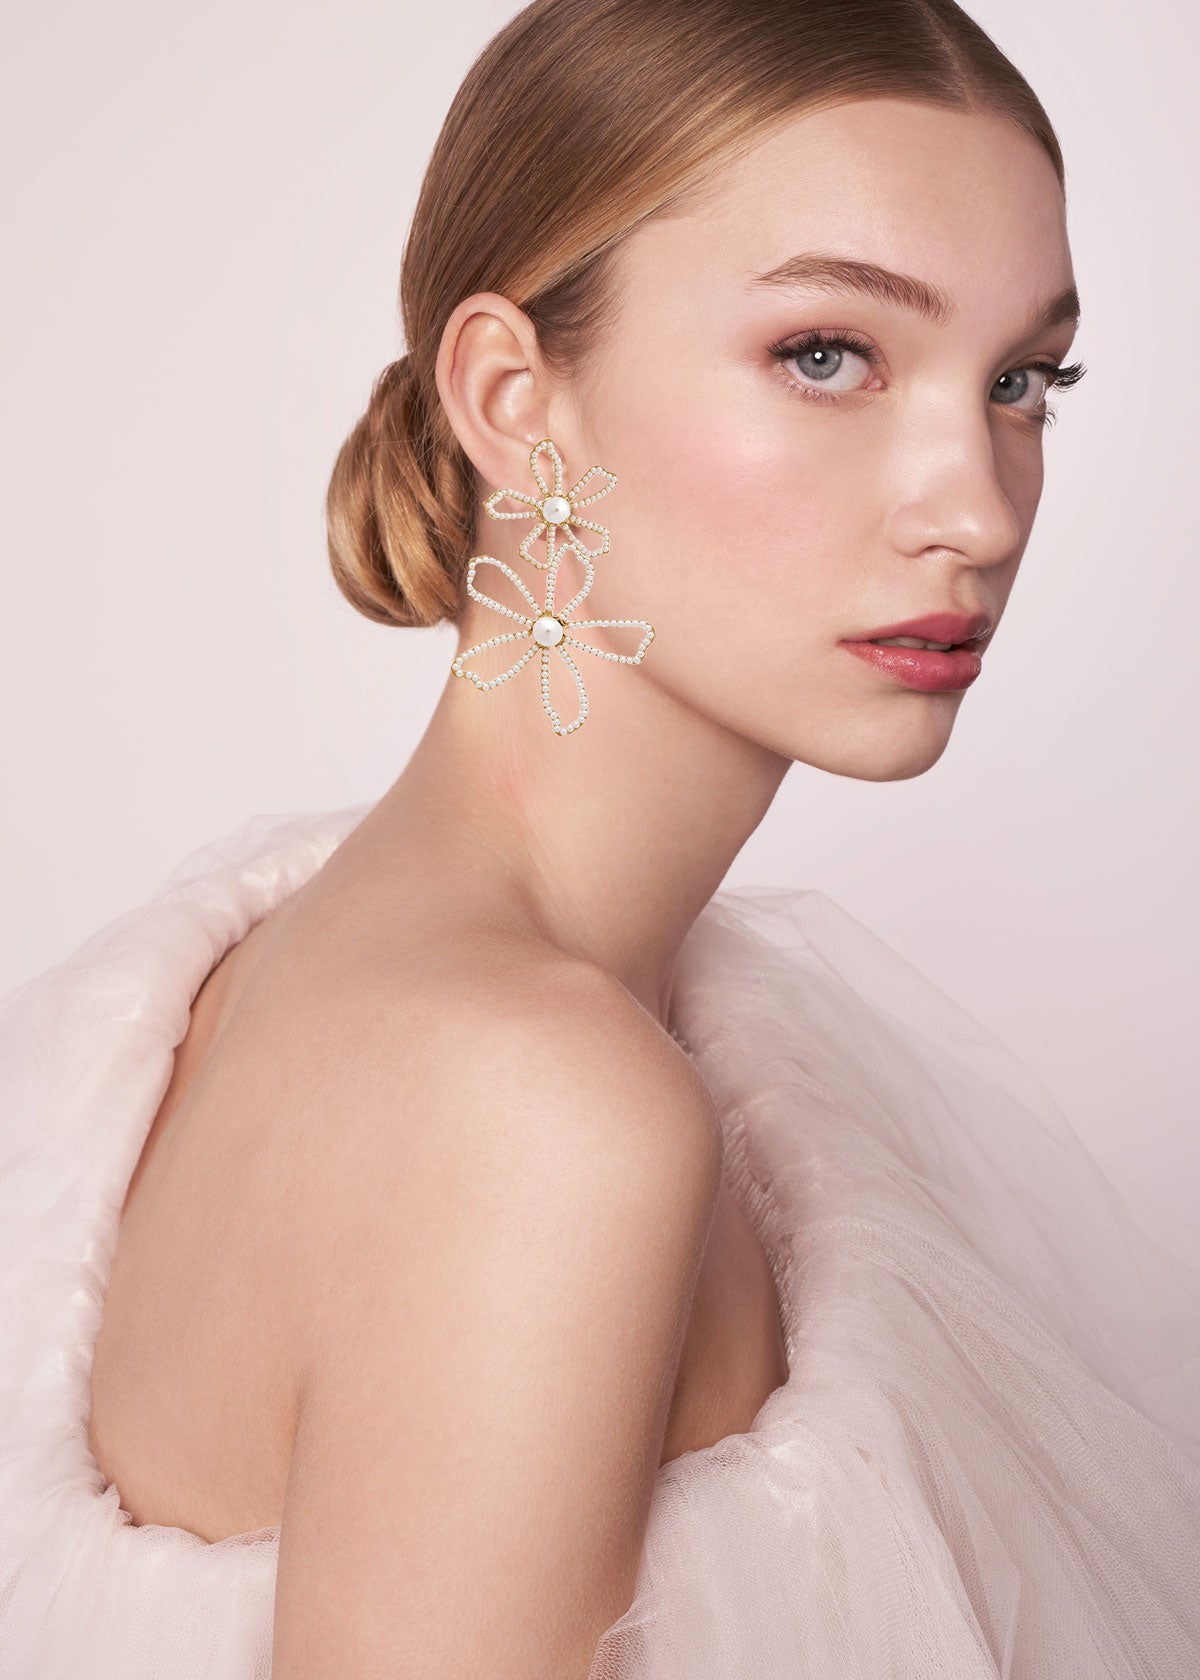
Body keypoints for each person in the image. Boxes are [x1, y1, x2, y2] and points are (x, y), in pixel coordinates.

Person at [1, 0, 1197, 1675]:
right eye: (827, 355)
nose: (978, 507)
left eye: (1021, 381)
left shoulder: (363, 967)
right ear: (511, 394)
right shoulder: (534, 1107)